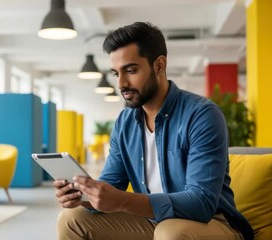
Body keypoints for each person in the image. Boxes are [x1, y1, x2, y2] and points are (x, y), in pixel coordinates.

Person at [53, 22, 253, 240]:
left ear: (159, 65)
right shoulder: (125, 121)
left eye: (130, 70)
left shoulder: (202, 115)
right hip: (154, 223)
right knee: (71, 219)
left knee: (170, 233)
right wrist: (85, 196)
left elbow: (201, 203)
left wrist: (122, 200)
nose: (121, 83)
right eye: (115, 73)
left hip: (213, 223)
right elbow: (112, 184)